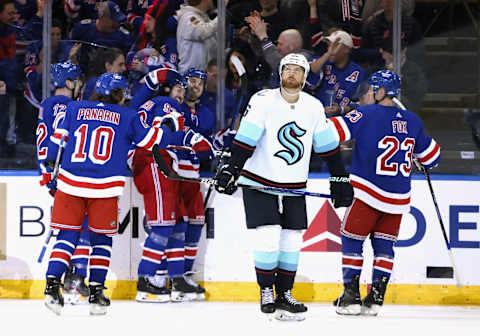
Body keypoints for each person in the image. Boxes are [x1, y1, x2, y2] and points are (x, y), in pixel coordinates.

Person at [214, 53, 354, 321]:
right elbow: (246, 139)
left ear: (304, 77)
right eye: (286, 69)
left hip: (294, 184)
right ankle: (267, 290)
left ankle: (285, 293)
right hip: (259, 180)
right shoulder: (263, 100)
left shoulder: (313, 106)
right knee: (268, 235)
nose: (291, 73)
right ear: (280, 73)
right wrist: (233, 167)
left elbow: (327, 146)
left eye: (297, 70)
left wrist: (339, 177)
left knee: (292, 238)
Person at [42, 72, 188, 316]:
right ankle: (97, 293)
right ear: (121, 94)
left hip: (70, 183)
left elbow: (53, 148)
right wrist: (169, 125)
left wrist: (53, 173)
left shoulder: (74, 108)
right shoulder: (127, 115)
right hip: (105, 187)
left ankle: (51, 288)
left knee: (66, 237)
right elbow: (153, 141)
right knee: (101, 240)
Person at [329, 70, 441, 316]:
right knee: (384, 247)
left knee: (351, 240)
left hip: (367, 193)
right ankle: (376, 299)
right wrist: (417, 158)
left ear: (380, 92)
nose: (367, 94)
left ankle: (351, 297)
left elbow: (331, 133)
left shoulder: (366, 113)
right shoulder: (412, 120)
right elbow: (432, 157)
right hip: (398, 199)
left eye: (371, 89)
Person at [309, 29, 367, 116]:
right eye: (328, 45)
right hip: (316, 115)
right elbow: (311, 70)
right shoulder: (323, 61)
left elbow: (361, 104)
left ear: (346, 49)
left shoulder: (358, 72)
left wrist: (341, 109)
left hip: (342, 120)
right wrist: (329, 53)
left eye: (335, 46)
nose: (330, 48)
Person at [176, 0, 229, 74]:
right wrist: (223, 13)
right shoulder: (188, 17)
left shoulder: (203, 17)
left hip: (205, 75)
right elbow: (202, 32)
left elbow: (214, 46)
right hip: (191, 77)